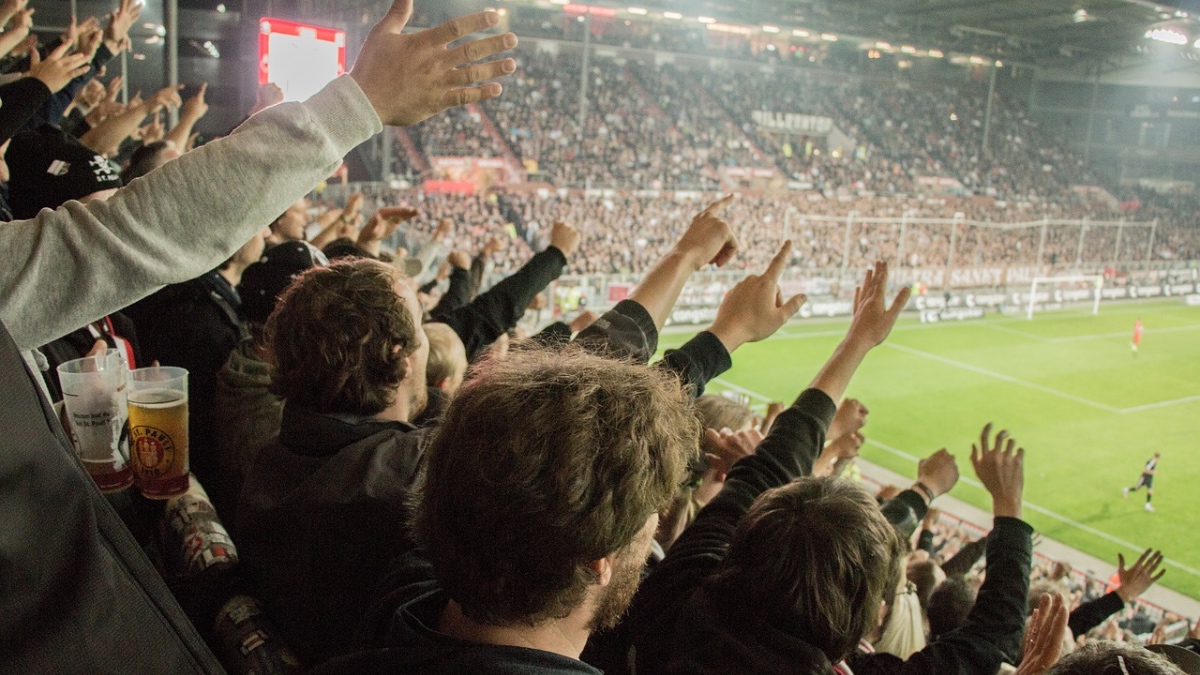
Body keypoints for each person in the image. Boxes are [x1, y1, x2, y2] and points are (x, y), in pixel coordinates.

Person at [0, 1, 519, 670]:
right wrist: (354, 105)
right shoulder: (385, 478)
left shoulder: (283, 451)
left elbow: (116, 235)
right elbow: (128, 234)